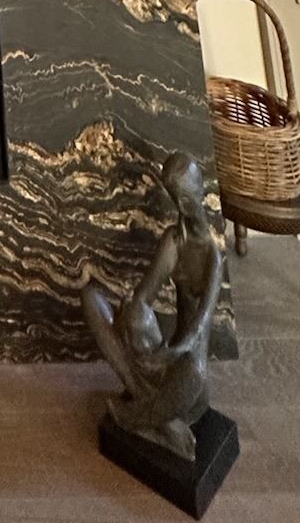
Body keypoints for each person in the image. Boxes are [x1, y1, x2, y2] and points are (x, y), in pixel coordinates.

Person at [81, 151, 224, 460]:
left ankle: (136, 416)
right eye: (177, 200)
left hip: (187, 374)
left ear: (203, 191)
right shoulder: (174, 241)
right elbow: (145, 296)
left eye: (188, 199)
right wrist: (130, 313)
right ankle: (161, 419)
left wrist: (164, 357)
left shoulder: (214, 257)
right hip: (160, 357)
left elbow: (197, 332)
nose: (184, 208)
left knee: (196, 372)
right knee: (92, 299)